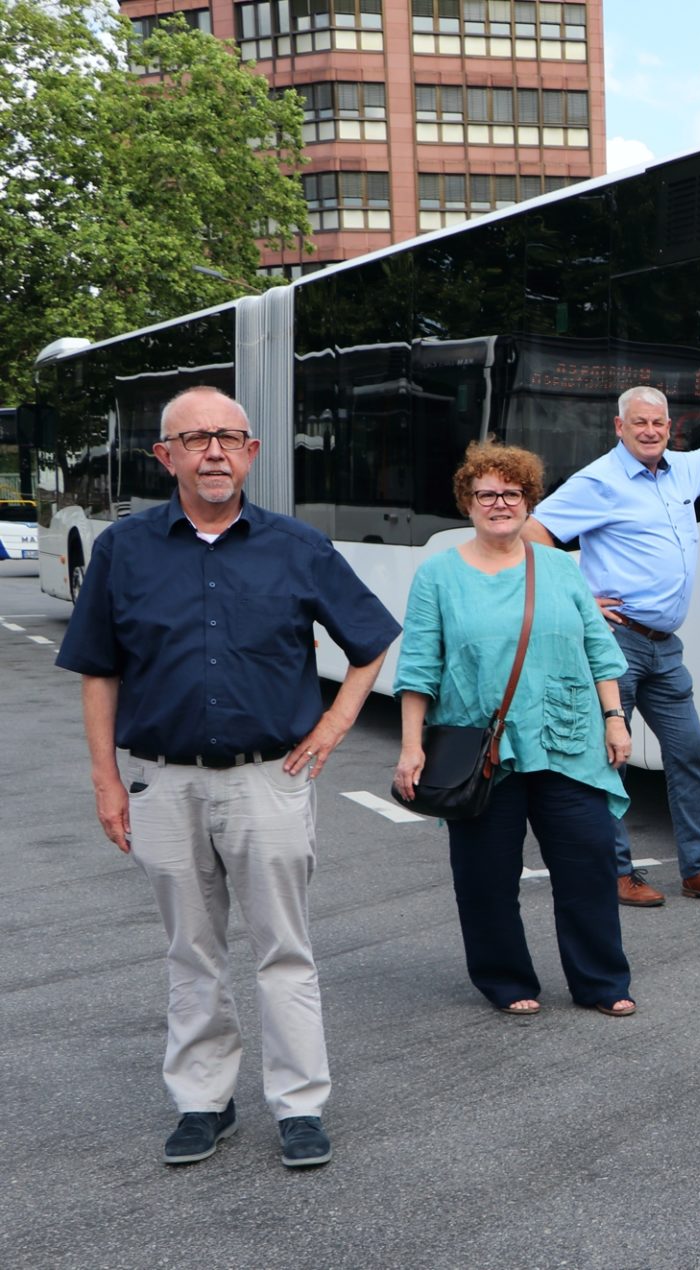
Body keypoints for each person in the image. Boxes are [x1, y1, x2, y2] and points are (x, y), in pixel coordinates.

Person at [56, 386, 400, 1170]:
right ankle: (203, 1102)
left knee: (286, 949)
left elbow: (372, 642)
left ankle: (300, 1107)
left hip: (266, 782)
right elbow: (98, 672)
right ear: (165, 456)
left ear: (250, 452)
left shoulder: (295, 546)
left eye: (230, 438)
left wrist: (334, 724)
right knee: (191, 950)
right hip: (163, 784)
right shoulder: (124, 549)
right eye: (196, 439)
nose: (214, 452)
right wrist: (105, 781)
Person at [523, 360, 700, 907]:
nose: (650, 431)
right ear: (619, 428)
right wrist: (580, 598)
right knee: (611, 756)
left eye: (659, 423)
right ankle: (619, 870)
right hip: (616, 643)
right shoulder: (599, 481)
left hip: (665, 648)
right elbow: (533, 531)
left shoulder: (680, 471)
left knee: (689, 750)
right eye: (640, 423)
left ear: (669, 427)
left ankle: (697, 869)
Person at [393, 443, 636, 1019]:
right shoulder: (438, 575)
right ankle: (504, 978)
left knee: (590, 865)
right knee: (485, 878)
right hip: (482, 750)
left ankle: (601, 981)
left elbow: (598, 647)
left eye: (511, 493)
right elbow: (419, 668)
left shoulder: (558, 566)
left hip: (568, 739)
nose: (499, 504)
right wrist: (410, 749)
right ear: (467, 502)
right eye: (487, 495)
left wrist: (614, 717)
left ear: (528, 501)